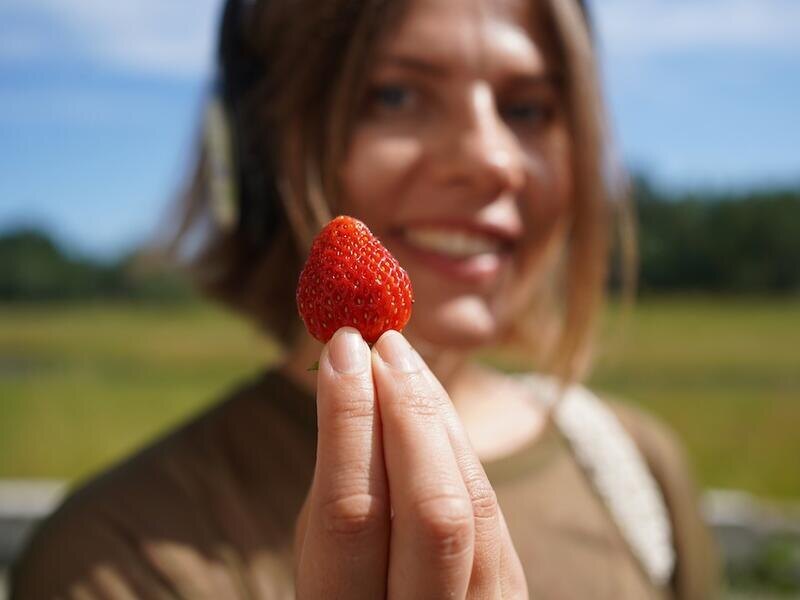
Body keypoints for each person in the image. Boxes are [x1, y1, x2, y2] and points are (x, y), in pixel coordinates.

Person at [11, 0, 719, 597]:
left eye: (528, 108)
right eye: (395, 95)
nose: (492, 158)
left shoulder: (636, 470)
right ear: (259, 157)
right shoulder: (113, 557)